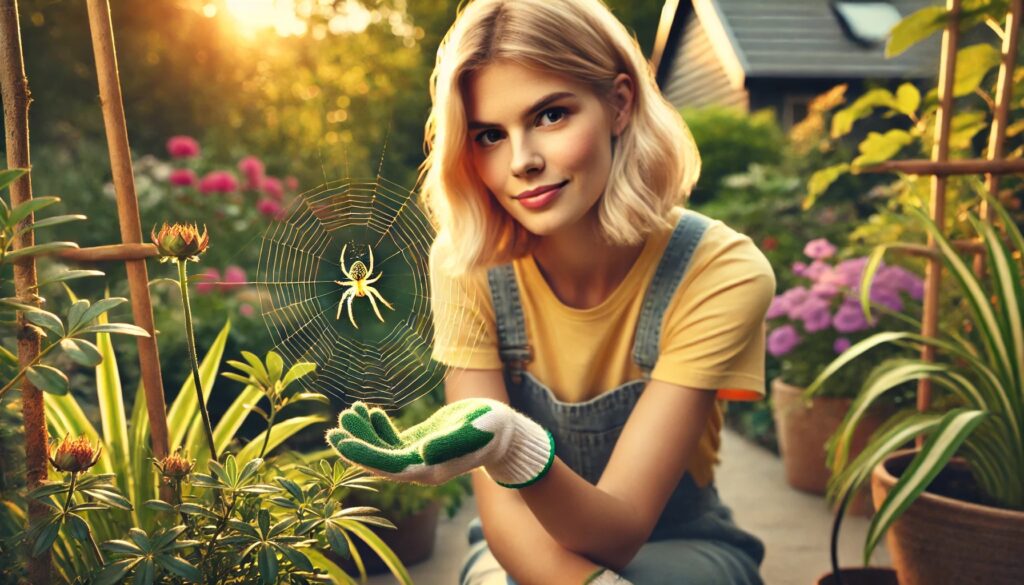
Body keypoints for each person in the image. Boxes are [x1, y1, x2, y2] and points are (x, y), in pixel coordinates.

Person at [325, 0, 776, 583]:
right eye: (489, 134)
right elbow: (505, 519)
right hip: (520, 544)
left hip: (677, 541)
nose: (523, 161)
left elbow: (620, 529)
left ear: (619, 103)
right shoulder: (467, 266)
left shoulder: (720, 271)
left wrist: (510, 444)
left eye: (551, 116)